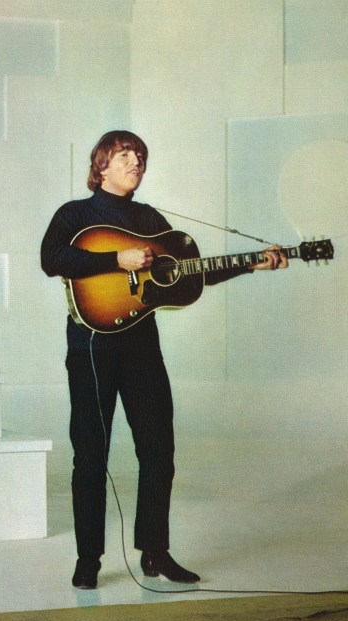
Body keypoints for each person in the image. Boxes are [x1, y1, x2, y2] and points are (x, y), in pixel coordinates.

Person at [40, 130, 287, 590]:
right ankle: (88, 559)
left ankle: (155, 551)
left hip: (141, 348)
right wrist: (118, 258)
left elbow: (185, 275)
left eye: (140, 156)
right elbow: (51, 258)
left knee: (159, 450)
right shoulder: (75, 214)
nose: (135, 162)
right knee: (90, 455)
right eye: (124, 155)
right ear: (102, 165)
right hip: (91, 345)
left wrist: (250, 264)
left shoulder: (150, 218)